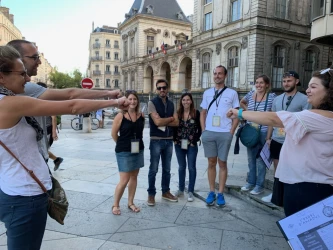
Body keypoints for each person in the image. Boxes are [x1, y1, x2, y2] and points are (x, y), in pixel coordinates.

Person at [0, 45, 129, 250]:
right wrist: (114, 101)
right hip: (25, 196)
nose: (27, 79)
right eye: (21, 73)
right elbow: (72, 105)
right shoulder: (9, 104)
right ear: (1, 77)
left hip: (11, 189)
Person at [227, 68, 333, 216]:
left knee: (300, 233)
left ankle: (260, 186)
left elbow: (274, 119)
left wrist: (239, 113)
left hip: (306, 186)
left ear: (329, 91)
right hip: (319, 184)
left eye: (313, 87)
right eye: (308, 86)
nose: (308, 90)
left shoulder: (313, 117)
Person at [7, 39, 122, 162]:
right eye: (35, 57)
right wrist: (113, 100)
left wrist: (109, 95)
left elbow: (71, 97)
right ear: (17, 59)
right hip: (27, 168)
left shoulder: (15, 91)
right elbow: (71, 102)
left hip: (30, 164)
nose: (39, 61)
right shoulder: (22, 90)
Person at [261, 71, 310, 204]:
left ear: (296, 82)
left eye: (289, 81)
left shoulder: (304, 99)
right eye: (284, 81)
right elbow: (272, 120)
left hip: (294, 141)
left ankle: (290, 195)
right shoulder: (277, 99)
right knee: (277, 169)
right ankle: (276, 196)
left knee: (293, 168)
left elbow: (306, 121)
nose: (286, 83)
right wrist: (268, 138)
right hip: (277, 139)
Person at [200, 65, 240, 206]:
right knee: (211, 162)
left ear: (225, 75)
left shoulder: (232, 93)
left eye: (220, 74)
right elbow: (203, 112)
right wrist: (204, 130)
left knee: (222, 163)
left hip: (224, 132)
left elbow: (237, 114)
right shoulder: (207, 93)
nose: (217, 76)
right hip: (209, 132)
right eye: (215, 73)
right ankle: (211, 191)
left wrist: (231, 132)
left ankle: (221, 193)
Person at [239, 75, 276, 195]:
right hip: (251, 130)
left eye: (261, 83)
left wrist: (268, 137)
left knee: (261, 160)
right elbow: (242, 102)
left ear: (267, 85)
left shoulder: (271, 97)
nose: (258, 85)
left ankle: (259, 185)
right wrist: (248, 112)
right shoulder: (251, 94)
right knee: (251, 159)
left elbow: (272, 119)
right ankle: (251, 182)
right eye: (257, 82)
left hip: (263, 131)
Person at [111, 91, 145, 215]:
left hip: (138, 149)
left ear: (137, 101)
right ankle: (115, 205)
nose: (132, 101)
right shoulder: (120, 116)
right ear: (126, 101)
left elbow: (140, 132)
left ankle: (131, 202)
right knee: (124, 180)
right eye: (130, 99)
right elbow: (114, 134)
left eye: (134, 99)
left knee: (134, 177)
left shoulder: (141, 115)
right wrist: (121, 144)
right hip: (124, 151)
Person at [147, 79, 179, 206]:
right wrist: (171, 118)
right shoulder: (151, 103)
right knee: (153, 169)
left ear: (167, 89)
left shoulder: (172, 104)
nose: (162, 90)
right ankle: (151, 194)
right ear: (156, 90)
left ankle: (166, 191)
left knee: (167, 169)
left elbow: (176, 122)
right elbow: (157, 122)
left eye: (164, 88)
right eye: (159, 88)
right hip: (156, 140)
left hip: (169, 140)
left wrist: (167, 120)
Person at [173, 93, 202, 202]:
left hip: (191, 145)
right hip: (179, 144)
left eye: (188, 100)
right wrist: (174, 140)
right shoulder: (178, 113)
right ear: (181, 101)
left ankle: (190, 191)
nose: (186, 102)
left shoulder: (196, 113)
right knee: (181, 167)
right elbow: (174, 127)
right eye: (184, 100)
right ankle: (181, 189)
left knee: (191, 167)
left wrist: (194, 141)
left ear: (191, 101)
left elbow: (199, 128)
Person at [36, 82, 64, 171]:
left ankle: (45, 170)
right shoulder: (38, 101)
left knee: (42, 150)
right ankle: (56, 160)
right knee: (40, 149)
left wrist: (53, 132)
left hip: (47, 130)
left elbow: (53, 117)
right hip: (41, 130)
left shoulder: (47, 102)